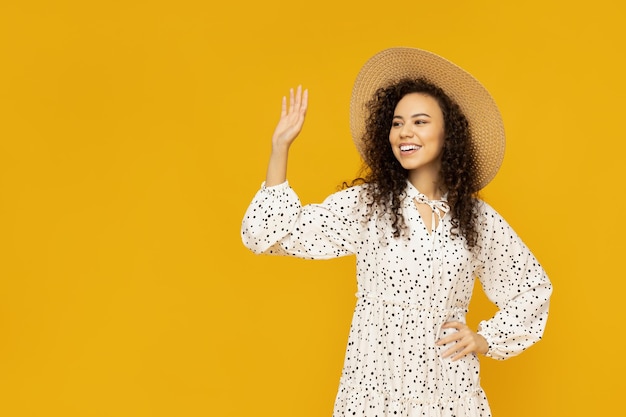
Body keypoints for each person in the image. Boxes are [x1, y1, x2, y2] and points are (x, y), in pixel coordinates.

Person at [241, 47, 552, 416]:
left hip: (448, 388)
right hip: (375, 385)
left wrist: (485, 339)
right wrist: (280, 149)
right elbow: (268, 234)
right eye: (397, 122)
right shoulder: (370, 205)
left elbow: (531, 289)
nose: (405, 132)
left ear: (447, 133)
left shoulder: (476, 218)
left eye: (420, 122)